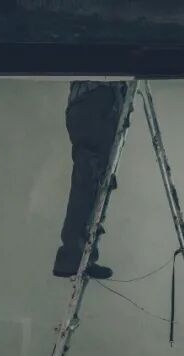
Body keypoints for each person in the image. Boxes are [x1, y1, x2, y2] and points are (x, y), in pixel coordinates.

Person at [52, 81, 128, 280]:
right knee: (89, 179)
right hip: (96, 98)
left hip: (99, 100)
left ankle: (81, 256)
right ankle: (72, 256)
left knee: (95, 181)